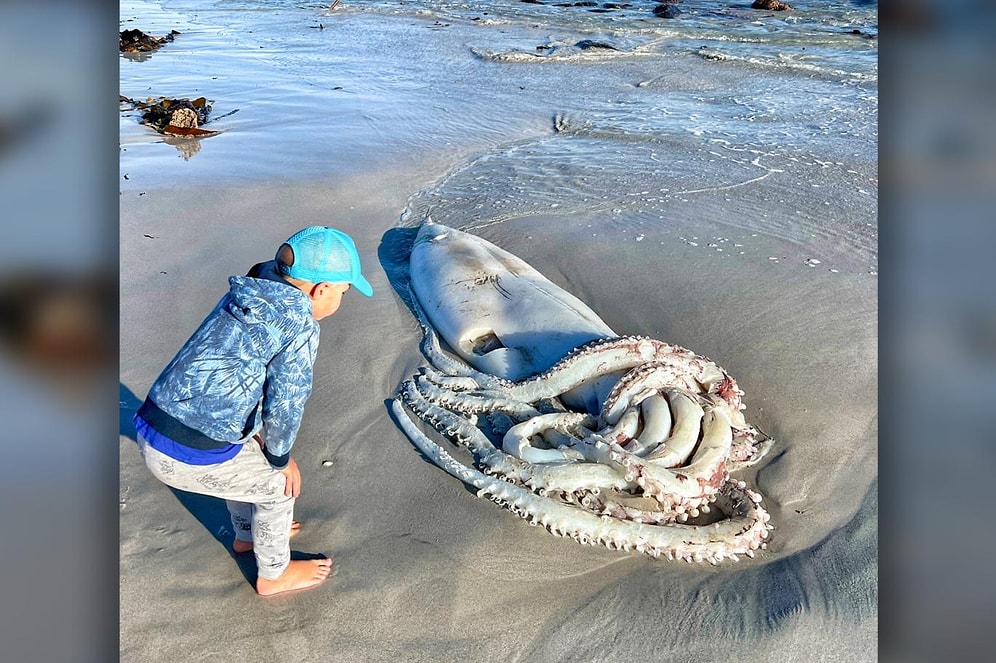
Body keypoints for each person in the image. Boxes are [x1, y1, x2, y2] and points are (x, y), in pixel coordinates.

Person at [132, 226, 373, 596]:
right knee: (279, 487)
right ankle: (274, 574)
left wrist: (259, 442)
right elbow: (286, 401)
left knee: (247, 453)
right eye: (343, 292)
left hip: (154, 420)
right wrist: (280, 459)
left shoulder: (249, 290)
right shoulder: (299, 324)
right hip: (185, 452)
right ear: (321, 290)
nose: (340, 299)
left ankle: (247, 535)